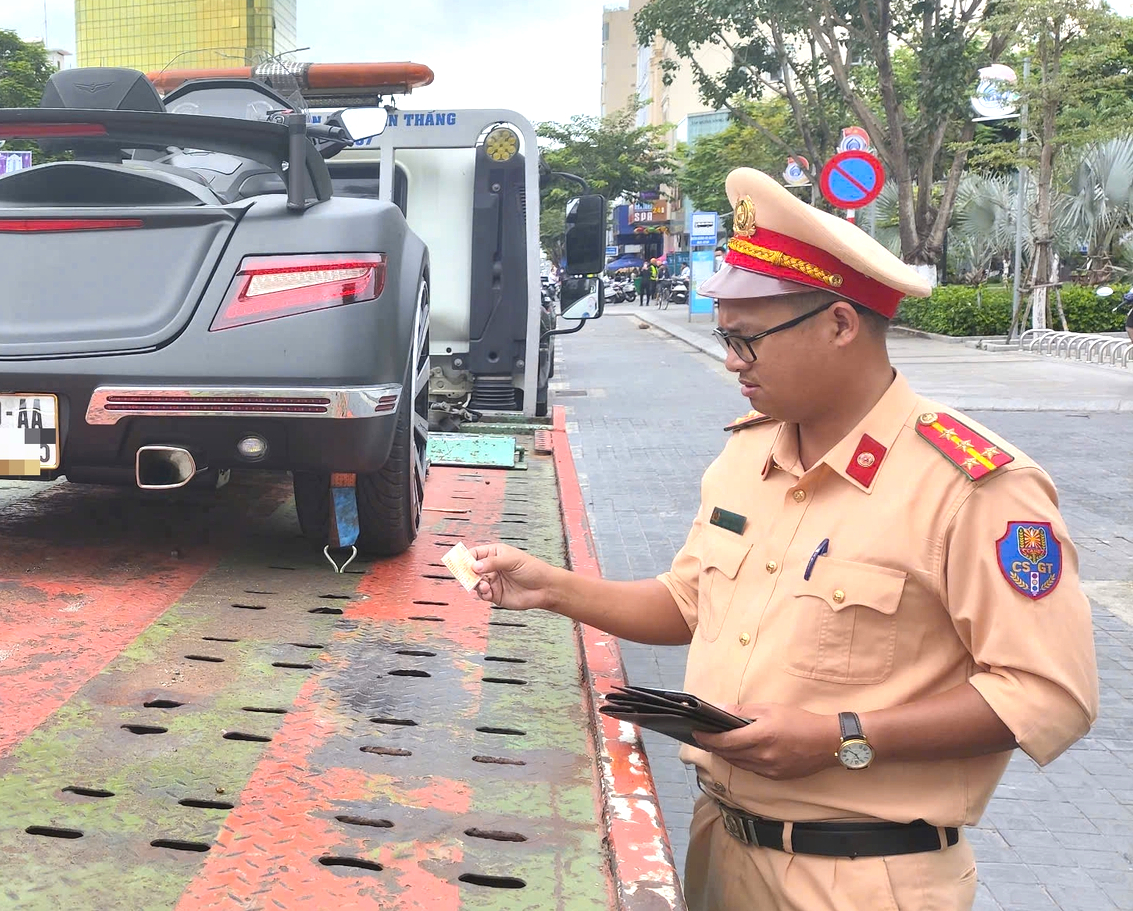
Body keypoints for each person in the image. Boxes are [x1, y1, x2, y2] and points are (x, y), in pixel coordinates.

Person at [468, 167, 1098, 910]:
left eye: (747, 340)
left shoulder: (974, 487)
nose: (732, 361)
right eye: (723, 336)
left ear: (839, 323)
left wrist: (842, 734)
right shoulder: (751, 450)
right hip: (720, 844)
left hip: (864, 878)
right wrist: (549, 586)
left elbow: (1049, 693)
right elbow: (688, 600)